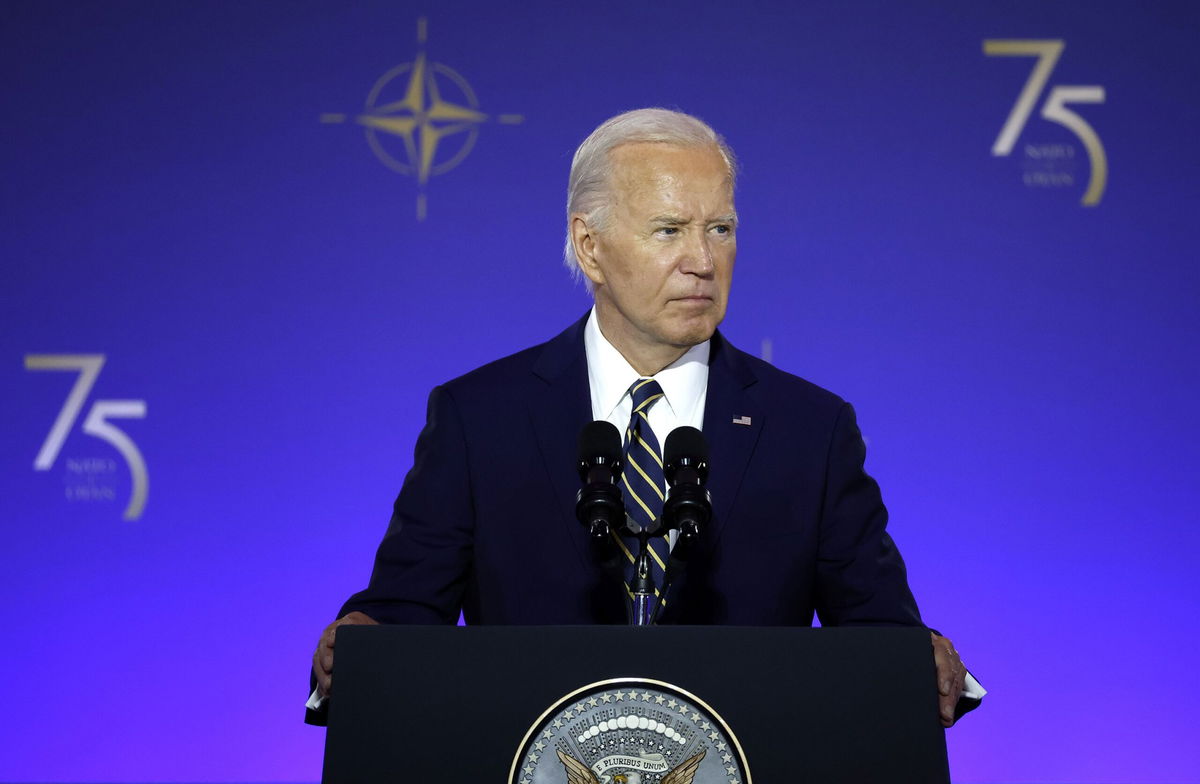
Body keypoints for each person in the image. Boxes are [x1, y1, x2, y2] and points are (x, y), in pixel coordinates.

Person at [309, 108, 983, 727]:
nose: (702, 261)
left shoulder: (811, 429)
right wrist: (359, 643)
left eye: (720, 229)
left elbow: (879, 634)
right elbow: (401, 618)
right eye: (669, 230)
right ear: (590, 245)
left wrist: (921, 659)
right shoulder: (479, 417)